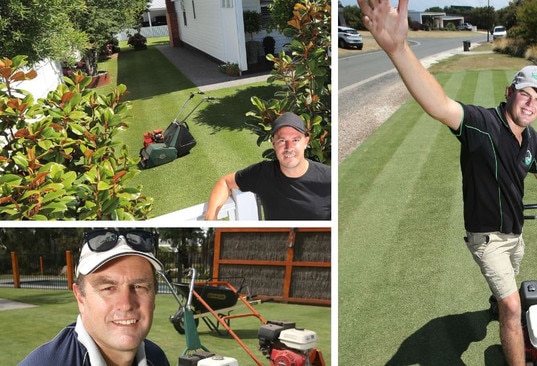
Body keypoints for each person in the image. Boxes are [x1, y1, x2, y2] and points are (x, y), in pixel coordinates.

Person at [357, 1, 537, 365]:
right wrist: (398, 49)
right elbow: (439, 104)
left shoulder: (531, 140)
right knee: (513, 308)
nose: (531, 104)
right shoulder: (482, 124)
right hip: (487, 239)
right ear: (511, 91)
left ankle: (496, 303)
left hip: (515, 238)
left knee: (506, 293)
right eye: (526, 93)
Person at [20, 229, 170, 366]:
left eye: (139, 287)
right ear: (80, 297)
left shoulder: (157, 358)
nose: (126, 304)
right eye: (108, 288)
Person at [205, 112, 331, 220]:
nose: (289, 147)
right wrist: (211, 218)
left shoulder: (328, 178)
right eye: (282, 141)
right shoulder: (263, 173)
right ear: (274, 144)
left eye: (295, 140)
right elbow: (225, 183)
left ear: (306, 142)